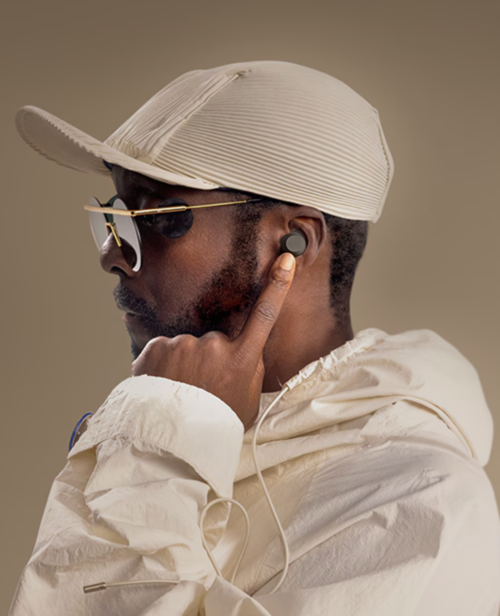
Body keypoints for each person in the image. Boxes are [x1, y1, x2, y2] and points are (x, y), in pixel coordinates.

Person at [9, 61, 500, 616]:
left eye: (158, 215)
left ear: (295, 242)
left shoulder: (424, 506)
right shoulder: (167, 423)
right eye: (116, 213)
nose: (111, 254)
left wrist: (155, 448)